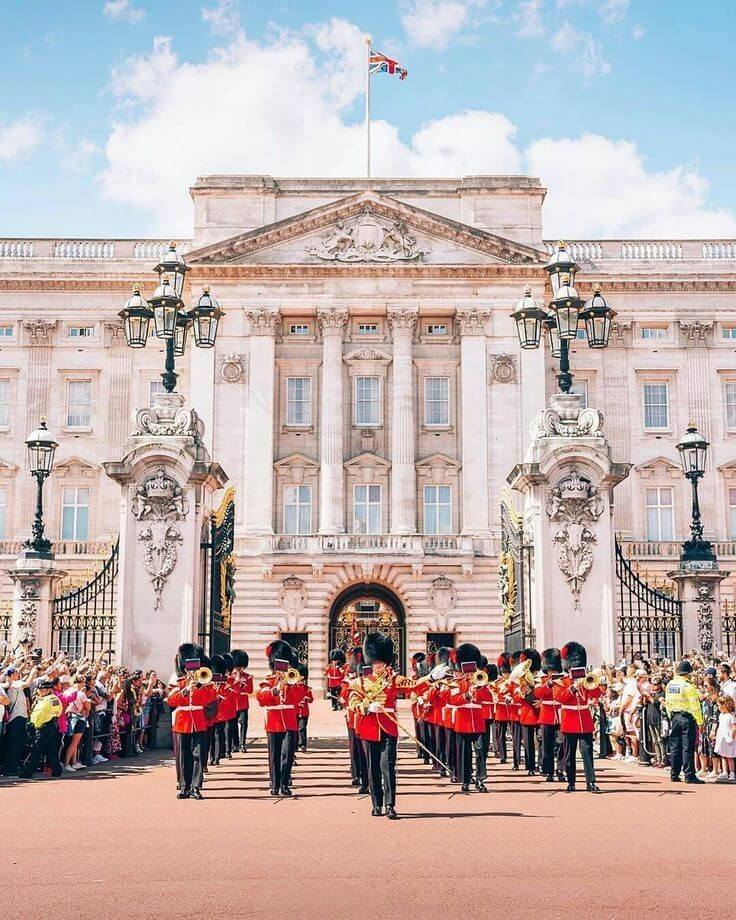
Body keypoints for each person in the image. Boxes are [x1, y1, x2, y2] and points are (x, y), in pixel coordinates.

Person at [348, 632, 400, 819]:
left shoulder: (393, 681)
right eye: (376, 662)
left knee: (388, 767)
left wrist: (431, 679)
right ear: (371, 662)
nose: (379, 665)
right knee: (373, 769)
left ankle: (390, 804)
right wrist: (368, 707)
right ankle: (376, 804)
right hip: (369, 729)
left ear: (386, 662)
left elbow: (413, 685)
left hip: (388, 729)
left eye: (382, 662)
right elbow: (352, 704)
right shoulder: (360, 682)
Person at [256, 640, 306, 797]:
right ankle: (275, 784)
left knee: (287, 754)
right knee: (274, 755)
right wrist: (275, 690)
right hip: (273, 722)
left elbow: (299, 698)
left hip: (290, 722)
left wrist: (292, 684)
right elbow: (261, 699)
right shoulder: (268, 681)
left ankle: (284, 783)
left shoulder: (293, 680)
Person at [166, 643, 216, 800]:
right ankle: (184, 787)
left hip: (198, 723)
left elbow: (210, 700)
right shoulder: (179, 683)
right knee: (183, 757)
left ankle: (195, 787)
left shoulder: (205, 684)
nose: (193, 672)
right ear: (185, 668)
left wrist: (200, 687)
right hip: (182, 724)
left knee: (198, 756)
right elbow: (171, 701)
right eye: (190, 668)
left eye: (195, 668)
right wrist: (186, 689)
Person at [552, 641, 602, 793]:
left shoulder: (586, 680)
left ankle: (591, 782)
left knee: (587, 753)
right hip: (569, 720)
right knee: (569, 755)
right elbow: (560, 698)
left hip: (585, 721)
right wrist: (572, 688)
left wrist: (589, 683)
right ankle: (571, 782)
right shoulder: (561, 681)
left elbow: (597, 694)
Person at [447, 642, 490, 793]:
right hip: (462, 722)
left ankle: (480, 780)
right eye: (468, 672)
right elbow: (452, 700)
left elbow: (488, 699)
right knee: (464, 753)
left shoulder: (481, 681)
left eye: (472, 671)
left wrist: (481, 687)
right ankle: (465, 780)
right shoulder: (456, 684)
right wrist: (466, 694)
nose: (470, 674)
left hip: (478, 722)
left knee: (480, 752)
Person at [664, 659, 704, 785]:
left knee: (675, 747)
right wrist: (700, 721)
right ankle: (689, 775)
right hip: (687, 718)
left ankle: (674, 774)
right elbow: (695, 705)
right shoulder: (688, 686)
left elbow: (667, 702)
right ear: (688, 673)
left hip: (675, 717)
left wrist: (671, 715)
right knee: (688, 747)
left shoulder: (670, 685)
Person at [20, 680, 63, 779]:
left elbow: (40, 714)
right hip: (48, 727)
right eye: (40, 689)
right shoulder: (49, 699)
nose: (41, 691)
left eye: (43, 689)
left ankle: (27, 772)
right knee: (51, 750)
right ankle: (57, 770)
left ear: (48, 689)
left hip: (44, 727)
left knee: (36, 750)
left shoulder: (48, 700)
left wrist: (34, 724)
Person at [535, 647, 563, 782]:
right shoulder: (542, 679)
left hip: (561, 714)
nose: (552, 672)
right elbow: (538, 693)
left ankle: (561, 769)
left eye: (555, 669)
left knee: (562, 743)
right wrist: (549, 684)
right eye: (550, 669)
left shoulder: (564, 679)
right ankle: (549, 771)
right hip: (546, 714)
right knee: (547, 745)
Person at [1, 665, 31, 776]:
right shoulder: (13, 684)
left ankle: (12, 767)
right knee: (14, 745)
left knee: (17, 745)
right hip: (15, 718)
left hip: (19, 718)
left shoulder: (14, 684)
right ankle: (10, 769)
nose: (18, 675)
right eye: (16, 673)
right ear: (11, 675)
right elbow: (28, 682)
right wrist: (34, 671)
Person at [231, 649, 252, 752]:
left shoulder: (248, 677)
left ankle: (242, 744)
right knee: (233, 725)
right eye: (237, 666)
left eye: (240, 667)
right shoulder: (231, 677)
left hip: (243, 704)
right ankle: (235, 744)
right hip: (233, 703)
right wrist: (236, 681)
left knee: (243, 724)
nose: (239, 669)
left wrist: (243, 684)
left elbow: (250, 690)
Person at [713, 695, 736, 783]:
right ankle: (725, 772)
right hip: (722, 737)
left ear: (725, 705)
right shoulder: (721, 715)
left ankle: (732, 773)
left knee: (730, 757)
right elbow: (720, 726)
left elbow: (734, 727)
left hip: (729, 738)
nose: (718, 707)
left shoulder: (730, 716)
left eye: (719, 705)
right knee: (723, 755)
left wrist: (732, 736)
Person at [296, 664, 313, 753]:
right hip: (294, 711)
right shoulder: (292, 688)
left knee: (302, 728)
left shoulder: (307, 689)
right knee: (294, 729)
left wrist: (307, 698)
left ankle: (303, 744)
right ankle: (294, 745)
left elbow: (311, 700)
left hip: (304, 712)